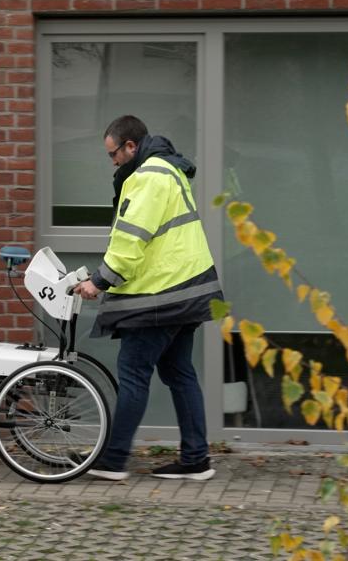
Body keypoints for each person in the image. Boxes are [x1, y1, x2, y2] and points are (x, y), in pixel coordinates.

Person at [73, 115, 224, 481]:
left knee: (134, 373)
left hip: (162, 294)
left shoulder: (148, 178)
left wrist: (100, 281)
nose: (113, 163)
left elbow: (130, 239)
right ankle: (195, 459)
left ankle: (112, 459)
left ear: (130, 146)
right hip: (188, 288)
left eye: (114, 154)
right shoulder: (167, 170)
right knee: (179, 373)